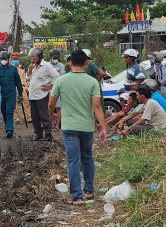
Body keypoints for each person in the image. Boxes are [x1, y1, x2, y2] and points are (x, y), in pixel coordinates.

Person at [48, 49, 107, 206]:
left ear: (70, 63)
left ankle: (76, 197)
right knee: (87, 157)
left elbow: (51, 102)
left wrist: (52, 115)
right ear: (87, 63)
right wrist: (103, 128)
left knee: (72, 160)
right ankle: (88, 190)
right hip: (87, 127)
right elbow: (97, 107)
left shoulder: (61, 81)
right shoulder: (92, 82)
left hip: (69, 127)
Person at [27, 47, 60, 141]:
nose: (32, 58)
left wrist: (50, 87)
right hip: (32, 94)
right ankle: (38, 134)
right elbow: (29, 79)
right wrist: (29, 70)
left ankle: (48, 134)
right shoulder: (32, 66)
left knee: (44, 115)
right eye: (31, 56)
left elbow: (56, 76)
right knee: (35, 116)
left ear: (40, 56)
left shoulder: (46, 66)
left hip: (41, 95)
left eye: (34, 56)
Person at [0, 51, 23, 138]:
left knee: (9, 111)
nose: (4, 60)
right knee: (4, 112)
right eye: (2, 59)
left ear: (8, 59)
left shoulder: (13, 69)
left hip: (11, 94)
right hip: (1, 94)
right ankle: (8, 127)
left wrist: (20, 94)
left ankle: (9, 129)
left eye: (5, 59)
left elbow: (18, 82)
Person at [11, 53, 31, 125]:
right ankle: (17, 118)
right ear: (12, 60)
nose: (16, 61)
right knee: (14, 104)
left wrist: (26, 87)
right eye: (14, 59)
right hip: (13, 86)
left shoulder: (22, 68)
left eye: (17, 59)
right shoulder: (10, 68)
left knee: (26, 102)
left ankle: (29, 117)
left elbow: (24, 78)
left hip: (22, 86)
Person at [49, 49, 66, 130]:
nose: (55, 59)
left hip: (59, 89)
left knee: (58, 108)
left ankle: (57, 125)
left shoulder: (61, 65)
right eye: (54, 57)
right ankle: (51, 123)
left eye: (57, 58)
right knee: (49, 107)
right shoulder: (47, 65)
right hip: (49, 89)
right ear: (50, 57)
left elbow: (62, 76)